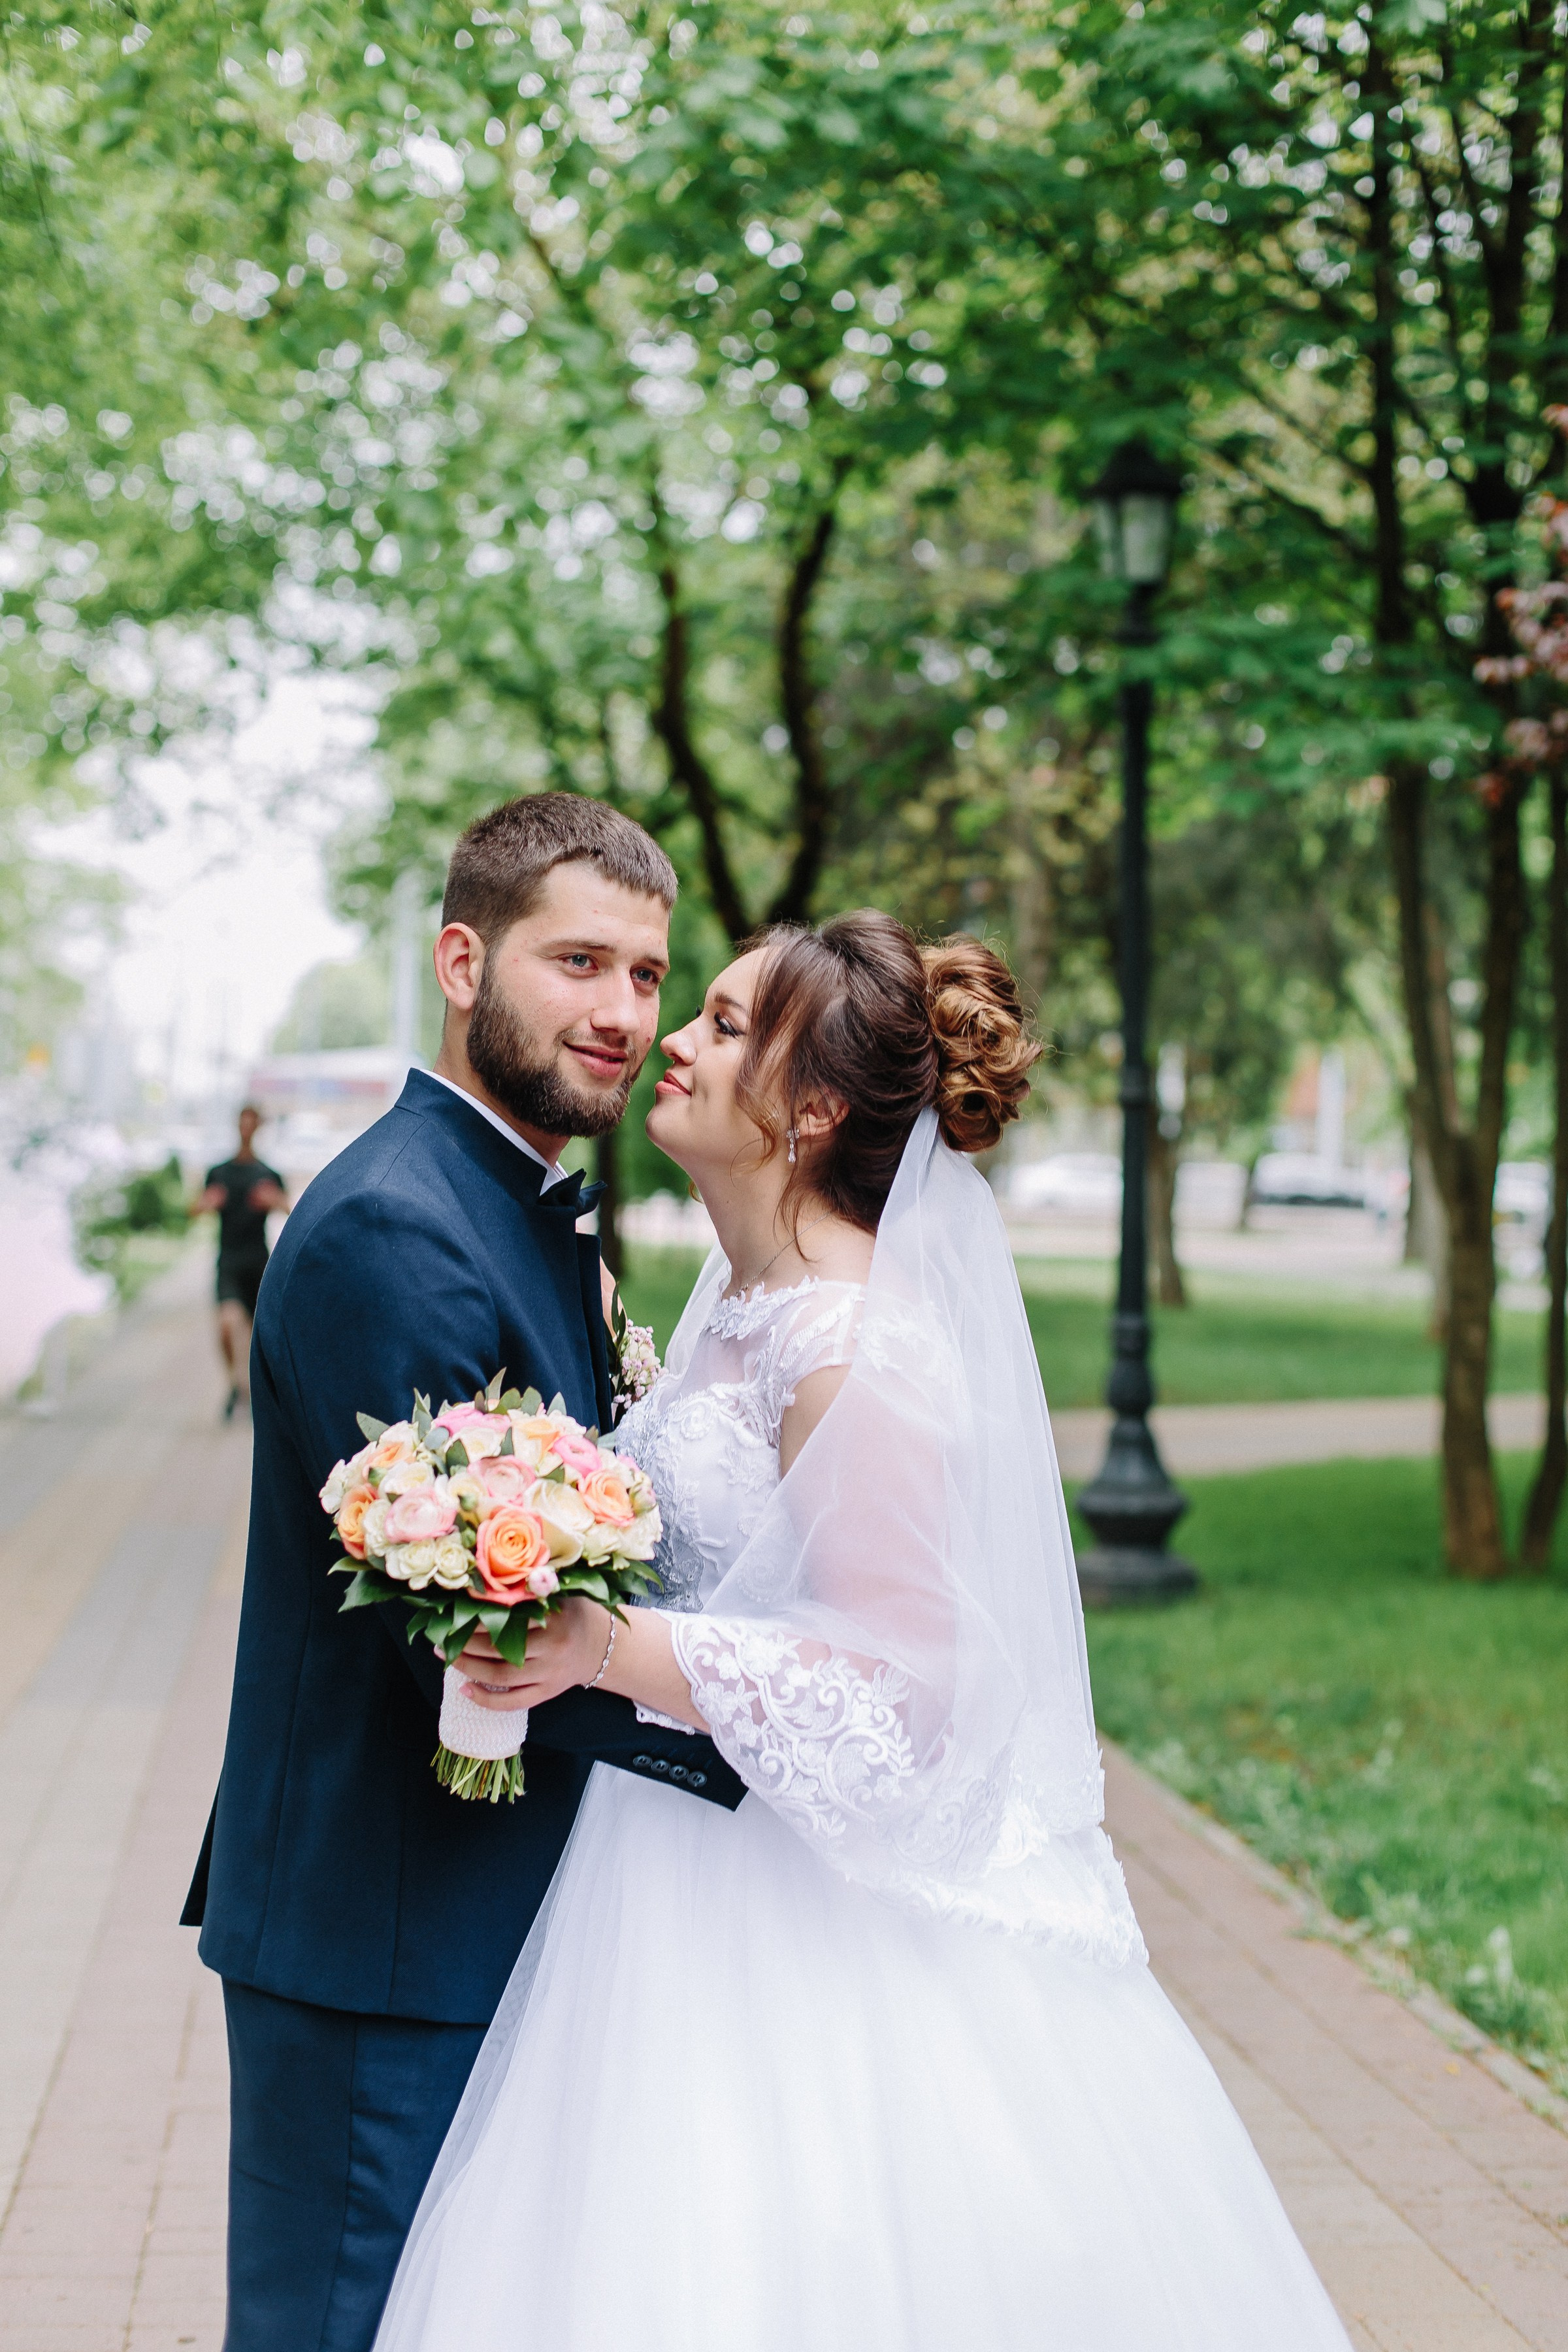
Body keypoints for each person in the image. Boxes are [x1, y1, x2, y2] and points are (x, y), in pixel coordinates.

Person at [373, 911, 1354, 2352]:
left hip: (809, 1916)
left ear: (816, 1107)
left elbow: (910, 1691)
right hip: (674, 1860)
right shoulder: (743, 1299)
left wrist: (607, 1649)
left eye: (720, 1024)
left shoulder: (850, 1347)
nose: (672, 1041)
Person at [181, 794, 745, 2352]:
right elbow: (474, 1632)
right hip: (385, 1925)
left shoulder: (510, 1205)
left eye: (647, 974)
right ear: (459, 961)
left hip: (471, 1908)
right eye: (579, 962)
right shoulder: (399, 1228)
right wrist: (760, 1749)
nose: (623, 1012)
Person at [191, 1105, 288, 1418]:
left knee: (260, 1336)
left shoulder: (268, 1174)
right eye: (242, 1123)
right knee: (226, 1325)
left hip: (259, 1262)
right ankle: (235, 1384)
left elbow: (290, 1211)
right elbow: (194, 1209)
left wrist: (274, 1200)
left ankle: (258, 1392)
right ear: (237, 1126)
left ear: (258, 1127)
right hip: (229, 1262)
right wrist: (208, 1202)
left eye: (251, 1124)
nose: (246, 1129)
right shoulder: (219, 1172)